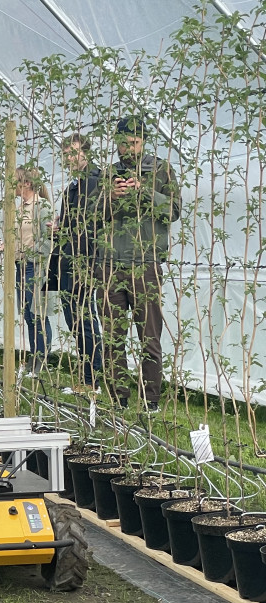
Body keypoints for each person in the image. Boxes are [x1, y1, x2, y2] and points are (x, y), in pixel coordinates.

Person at [99, 115, 180, 412]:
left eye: (133, 143)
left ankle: (151, 401)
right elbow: (92, 215)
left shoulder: (160, 170)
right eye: (122, 144)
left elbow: (173, 211)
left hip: (144, 263)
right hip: (108, 263)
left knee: (149, 336)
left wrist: (143, 191)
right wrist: (110, 196)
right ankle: (118, 398)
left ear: (143, 141)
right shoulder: (109, 173)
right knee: (112, 335)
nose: (128, 150)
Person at [55, 133, 104, 392]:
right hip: (68, 260)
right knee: (74, 318)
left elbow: (96, 226)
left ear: (86, 152)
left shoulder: (95, 182)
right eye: (66, 155)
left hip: (84, 261)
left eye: (74, 153)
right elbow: (72, 224)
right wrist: (59, 226)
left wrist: (90, 264)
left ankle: (92, 379)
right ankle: (86, 375)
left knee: (84, 319)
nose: (70, 159)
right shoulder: (72, 187)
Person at [15, 166, 55, 376]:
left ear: (27, 183)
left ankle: (42, 360)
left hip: (36, 267)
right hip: (20, 266)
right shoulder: (21, 208)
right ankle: (33, 358)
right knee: (28, 317)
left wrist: (29, 255)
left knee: (38, 315)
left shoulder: (42, 206)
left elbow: (47, 240)